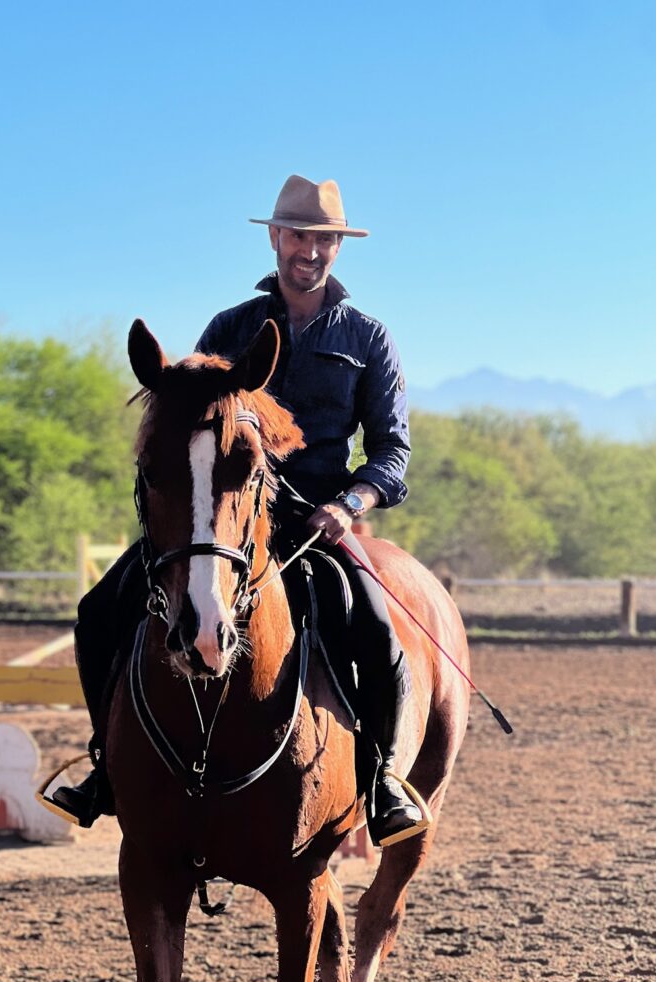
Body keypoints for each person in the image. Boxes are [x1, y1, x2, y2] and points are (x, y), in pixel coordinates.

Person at [49, 174, 424, 846]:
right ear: (275, 238)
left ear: (339, 246)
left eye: (325, 239)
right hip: (220, 519)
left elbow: (391, 456)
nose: (310, 249)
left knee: (375, 629)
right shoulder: (230, 327)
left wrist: (349, 504)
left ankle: (381, 780)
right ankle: (105, 769)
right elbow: (186, 420)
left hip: (314, 519)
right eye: (299, 235)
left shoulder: (368, 338)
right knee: (98, 610)